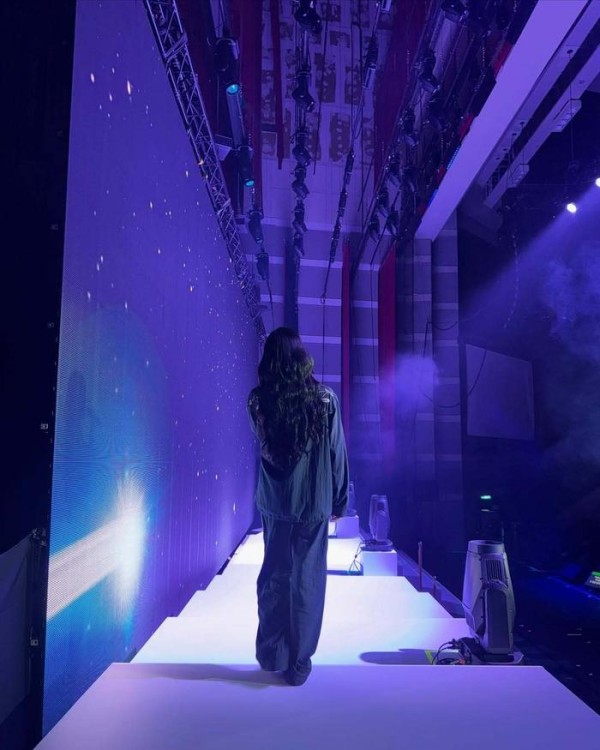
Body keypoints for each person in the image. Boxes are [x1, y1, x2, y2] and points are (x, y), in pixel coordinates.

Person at [247, 327, 349, 686]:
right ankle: (300, 663)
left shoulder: (258, 401)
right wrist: (340, 499)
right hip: (313, 500)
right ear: (301, 357)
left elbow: (265, 444)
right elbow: (337, 452)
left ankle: (273, 654)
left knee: (275, 575)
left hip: (276, 500)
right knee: (308, 580)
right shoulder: (325, 400)